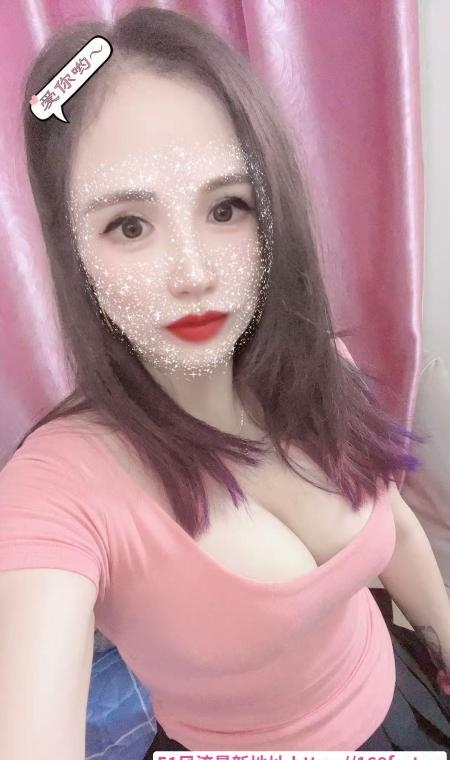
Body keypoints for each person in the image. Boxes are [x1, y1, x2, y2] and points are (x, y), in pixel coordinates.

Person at [0, 6, 449, 758]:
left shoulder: (321, 369)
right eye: (129, 225)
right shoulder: (56, 490)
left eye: (226, 208)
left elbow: (395, 526)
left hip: (400, 694)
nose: (194, 274)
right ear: (72, 249)